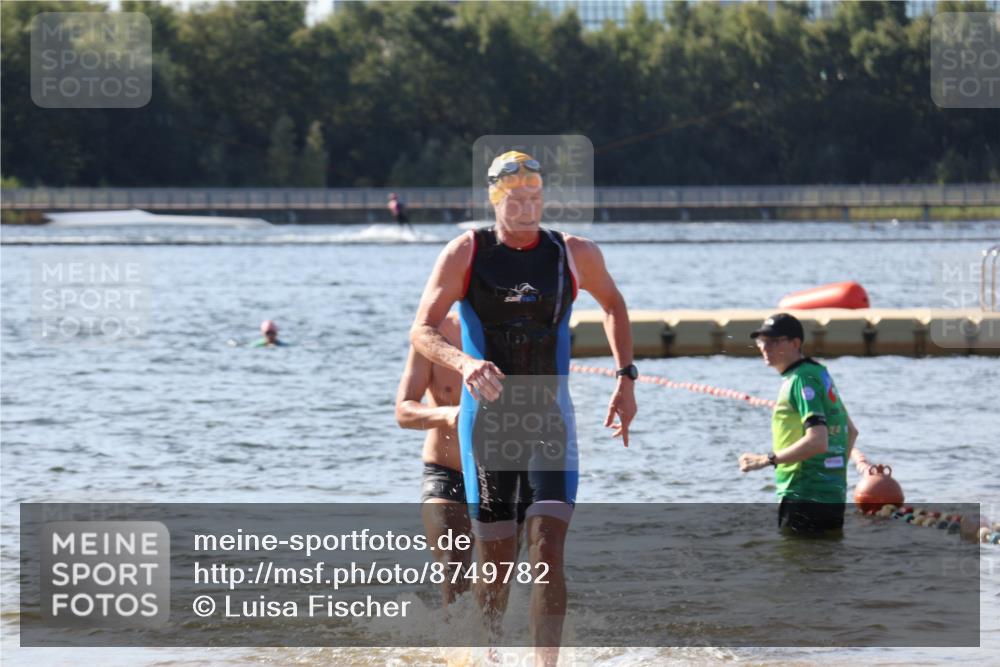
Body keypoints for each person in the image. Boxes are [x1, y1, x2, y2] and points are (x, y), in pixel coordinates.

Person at [409, 150, 637, 666]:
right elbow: (421, 329)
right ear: (495, 199)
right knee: (496, 559)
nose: (528, 208)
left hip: (550, 420)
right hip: (488, 424)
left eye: (535, 198)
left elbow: (614, 307)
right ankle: (485, 656)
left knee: (548, 547)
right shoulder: (466, 252)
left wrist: (625, 378)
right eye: (516, 199)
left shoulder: (573, 254)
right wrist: (465, 363)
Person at [739, 313, 861, 534]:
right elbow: (850, 432)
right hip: (833, 494)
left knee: (793, 564)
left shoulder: (800, 379)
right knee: (825, 562)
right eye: (762, 341)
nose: (765, 347)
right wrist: (831, 477)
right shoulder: (819, 373)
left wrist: (765, 460)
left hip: (802, 494)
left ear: (796, 343)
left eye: (773, 341)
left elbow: (817, 441)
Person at [395, 311, 471, 605]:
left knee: (499, 576)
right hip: (445, 470)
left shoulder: (509, 331)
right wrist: (448, 414)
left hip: (500, 473)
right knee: (453, 567)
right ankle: (455, 649)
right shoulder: (432, 335)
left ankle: (494, 645)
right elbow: (403, 412)